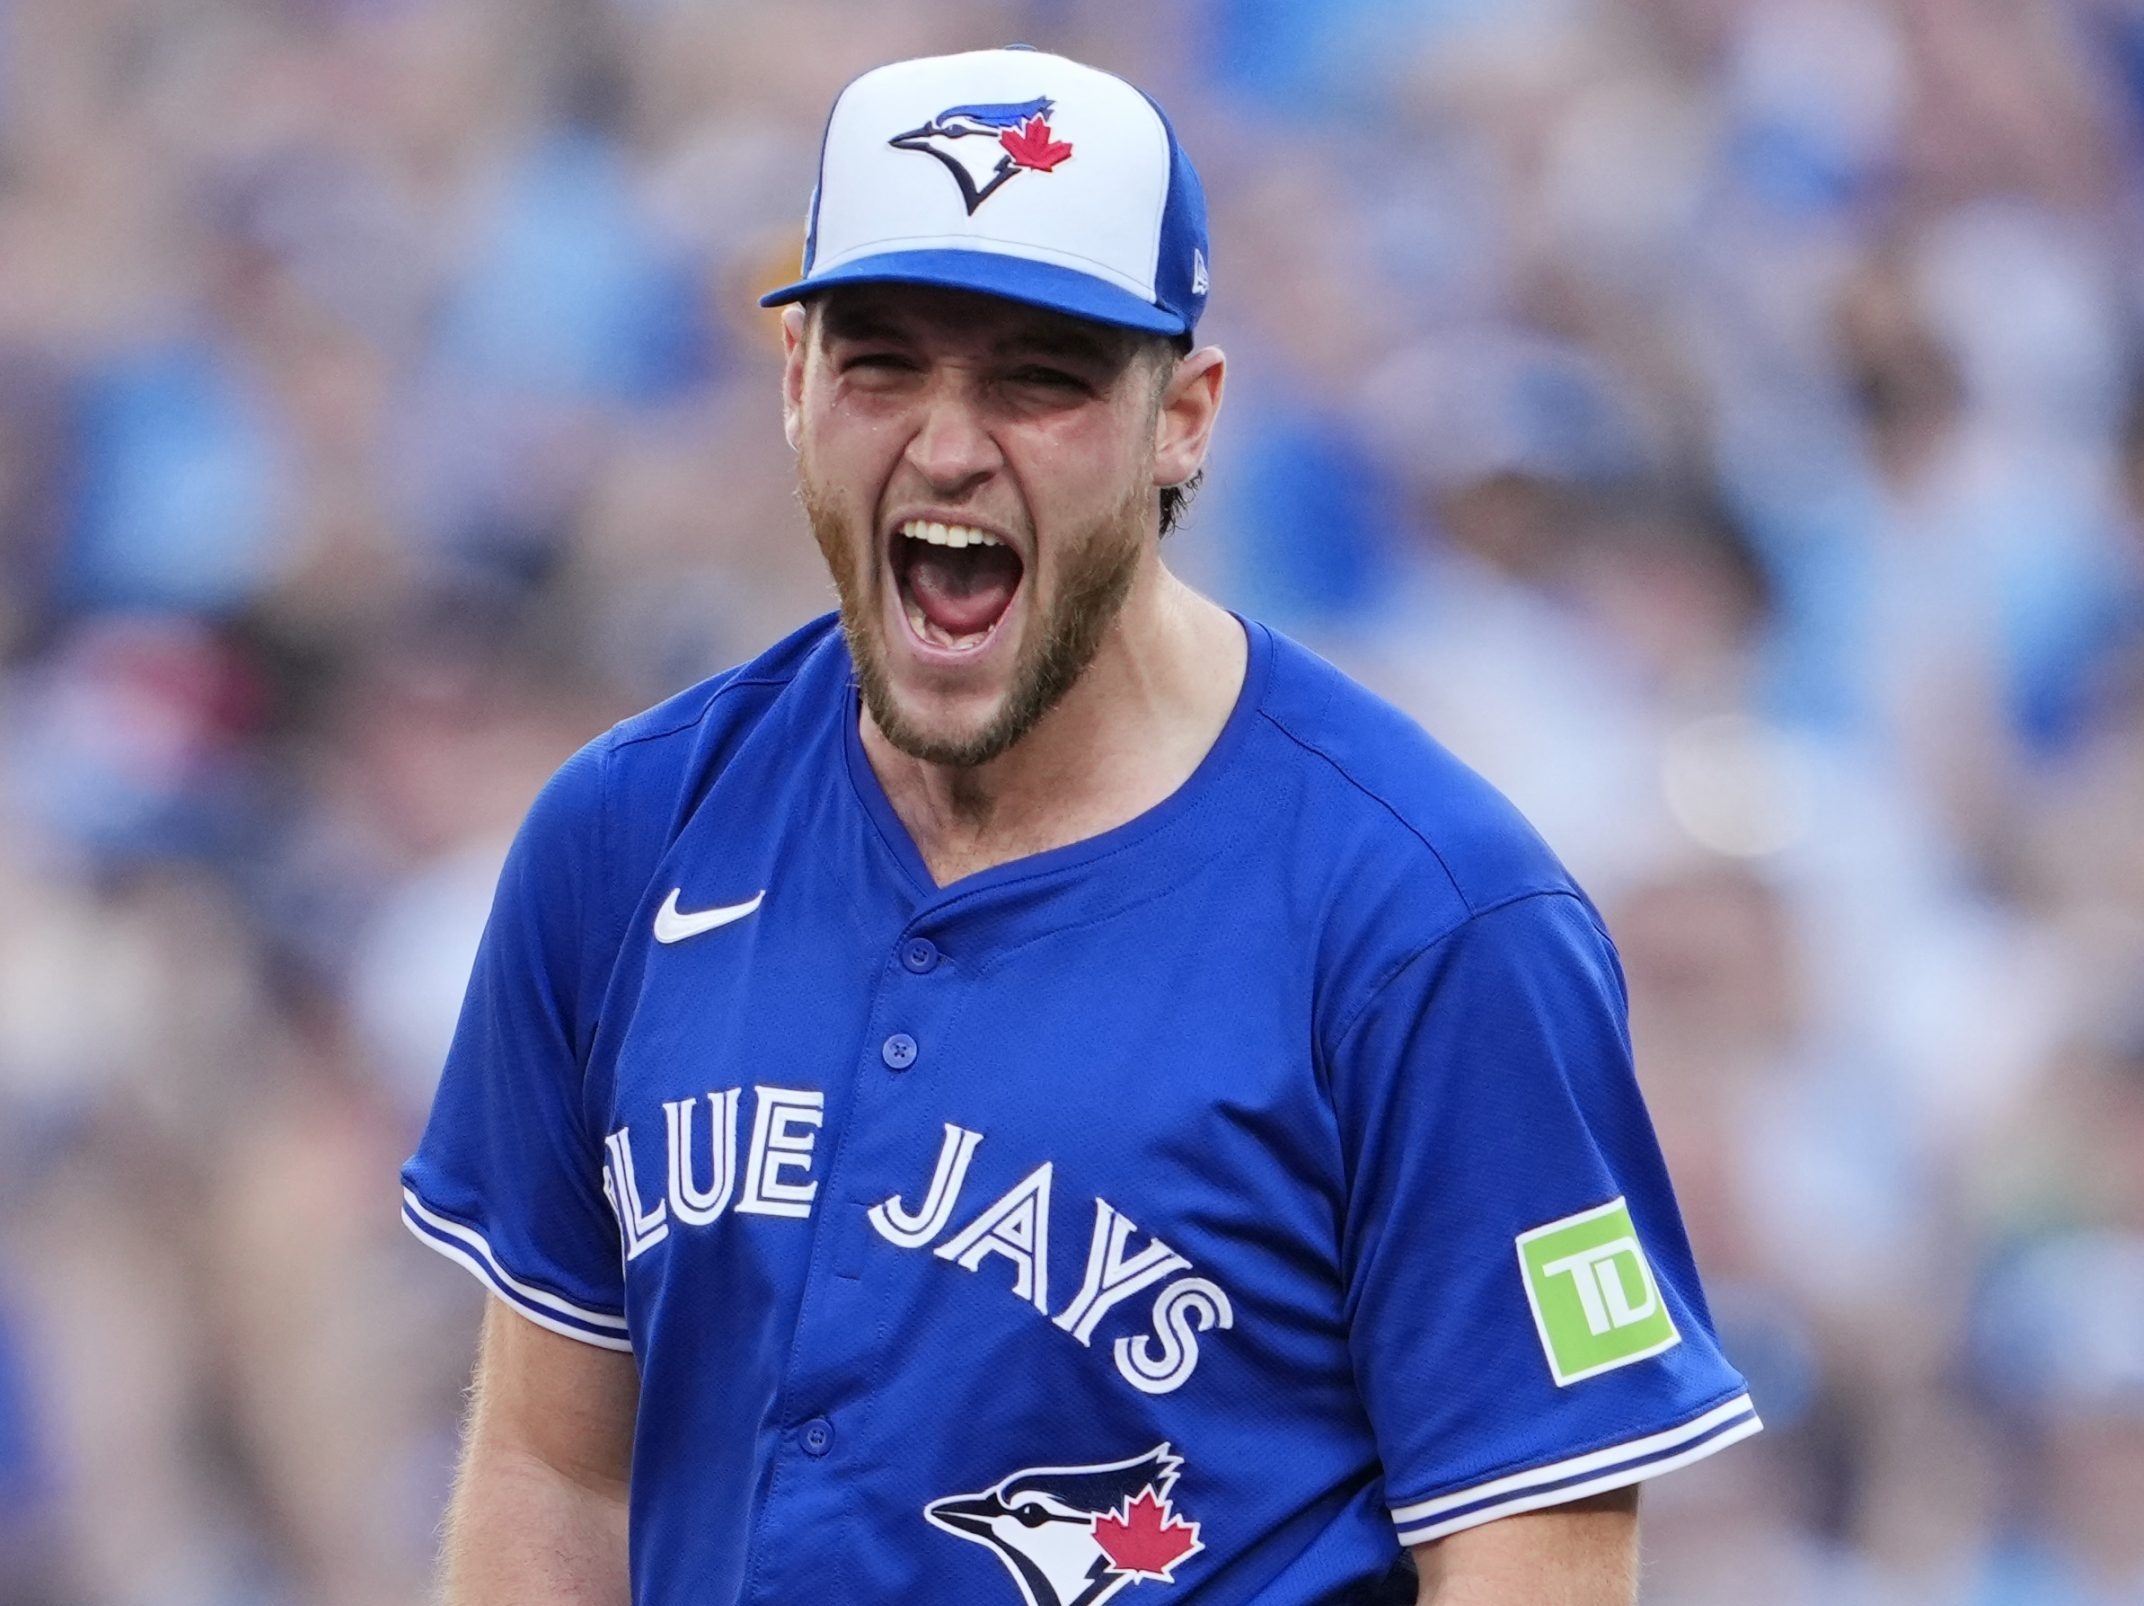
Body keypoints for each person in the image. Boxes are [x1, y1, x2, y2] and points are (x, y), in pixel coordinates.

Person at [400, 46, 1760, 1606]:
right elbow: (557, 1461)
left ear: (1183, 416)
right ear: (794, 389)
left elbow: (1541, 1542)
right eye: (882, 363)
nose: (950, 442)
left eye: (1037, 376)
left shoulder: (1429, 918)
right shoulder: (629, 834)